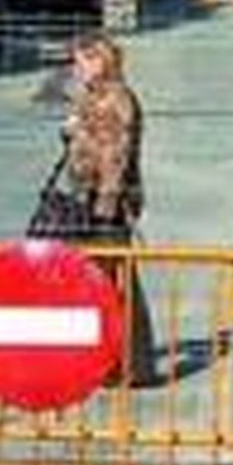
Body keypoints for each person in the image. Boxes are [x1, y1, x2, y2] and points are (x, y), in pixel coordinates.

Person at [62, 33, 159, 386]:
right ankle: (112, 360)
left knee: (117, 282)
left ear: (101, 61)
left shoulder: (116, 98)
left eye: (82, 61)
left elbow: (116, 157)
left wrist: (105, 206)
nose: (77, 69)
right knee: (101, 283)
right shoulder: (93, 97)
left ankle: (133, 365)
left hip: (107, 203)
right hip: (91, 198)